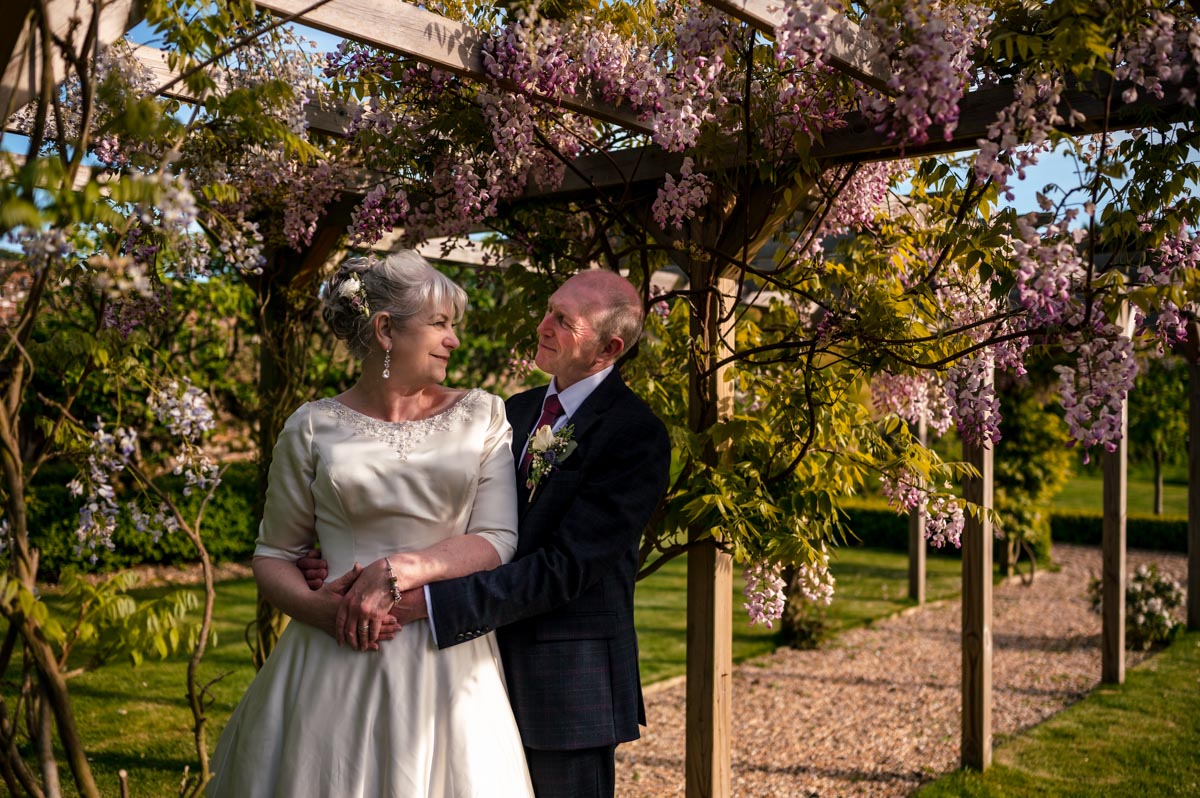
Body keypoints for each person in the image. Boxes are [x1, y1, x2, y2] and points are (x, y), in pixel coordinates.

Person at [312, 269, 672, 798]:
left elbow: (564, 568)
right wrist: (339, 557)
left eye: (564, 321)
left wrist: (428, 603)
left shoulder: (636, 435)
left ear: (608, 347)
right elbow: (463, 521)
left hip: (565, 686)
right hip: (471, 676)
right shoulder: (513, 411)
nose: (543, 325)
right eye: (549, 309)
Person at [207, 252, 535, 797]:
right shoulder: (312, 427)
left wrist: (397, 570)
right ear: (386, 329)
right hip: (332, 655)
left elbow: (498, 538)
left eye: (453, 325)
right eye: (439, 323)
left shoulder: (483, 414)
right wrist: (320, 609)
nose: (454, 339)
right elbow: (273, 554)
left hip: (444, 659)